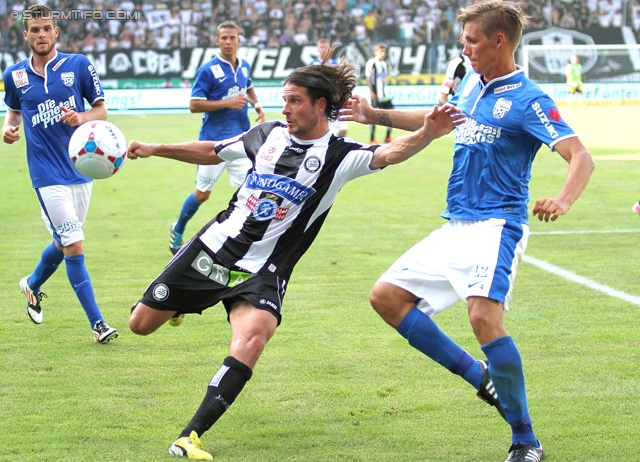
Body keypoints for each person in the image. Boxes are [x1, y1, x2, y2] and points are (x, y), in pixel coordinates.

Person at [126, 59, 465, 460]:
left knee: (252, 337)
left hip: (264, 270)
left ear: (320, 105)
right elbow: (214, 151)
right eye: (284, 100)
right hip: (213, 248)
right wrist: (154, 148)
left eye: (293, 101)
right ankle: (180, 305)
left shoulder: (340, 155)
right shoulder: (266, 134)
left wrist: (428, 131)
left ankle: (190, 435)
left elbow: (389, 153)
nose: (284, 108)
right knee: (139, 326)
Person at [343, 1, 594, 461]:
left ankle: (525, 439)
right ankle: (481, 379)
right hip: (456, 222)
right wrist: (373, 114)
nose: (466, 48)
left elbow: (581, 156)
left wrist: (563, 199)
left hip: (497, 225)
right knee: (386, 297)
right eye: (464, 41)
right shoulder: (473, 86)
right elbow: (435, 124)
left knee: (482, 318)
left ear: (499, 41)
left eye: (472, 41)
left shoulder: (528, 99)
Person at [2, 4, 118, 344]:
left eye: (46, 28)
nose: (41, 34)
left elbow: (102, 110)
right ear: (25, 34)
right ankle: (98, 325)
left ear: (56, 32)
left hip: (81, 170)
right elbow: (12, 114)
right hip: (45, 174)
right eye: (34, 29)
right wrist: (8, 130)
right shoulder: (15, 75)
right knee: (74, 243)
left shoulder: (79, 65)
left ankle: (32, 284)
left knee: (62, 240)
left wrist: (81, 117)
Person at [169, 21, 266, 255]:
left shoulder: (244, 66)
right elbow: (194, 105)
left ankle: (246, 241)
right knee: (202, 194)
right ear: (217, 41)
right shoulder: (208, 70)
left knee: (252, 190)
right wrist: (228, 103)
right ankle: (178, 228)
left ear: (239, 40)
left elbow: (248, 87)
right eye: (224, 38)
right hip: (212, 144)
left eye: (232, 38)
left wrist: (257, 104)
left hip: (242, 142)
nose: (228, 42)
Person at [309, 38, 349, 138]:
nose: (324, 50)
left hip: (335, 100)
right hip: (321, 102)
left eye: (326, 47)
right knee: (327, 131)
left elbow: (340, 82)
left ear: (330, 49)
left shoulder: (335, 64)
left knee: (344, 129)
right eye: (321, 47)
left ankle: (338, 147)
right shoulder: (313, 65)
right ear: (318, 49)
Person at [365, 43, 393, 144]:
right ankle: (372, 139)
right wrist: (371, 91)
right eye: (381, 51)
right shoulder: (371, 63)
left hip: (385, 95)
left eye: (384, 52)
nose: (383, 54)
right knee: (374, 116)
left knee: (392, 113)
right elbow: (368, 77)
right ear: (375, 52)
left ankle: (388, 137)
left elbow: (384, 79)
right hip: (376, 94)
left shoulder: (384, 64)